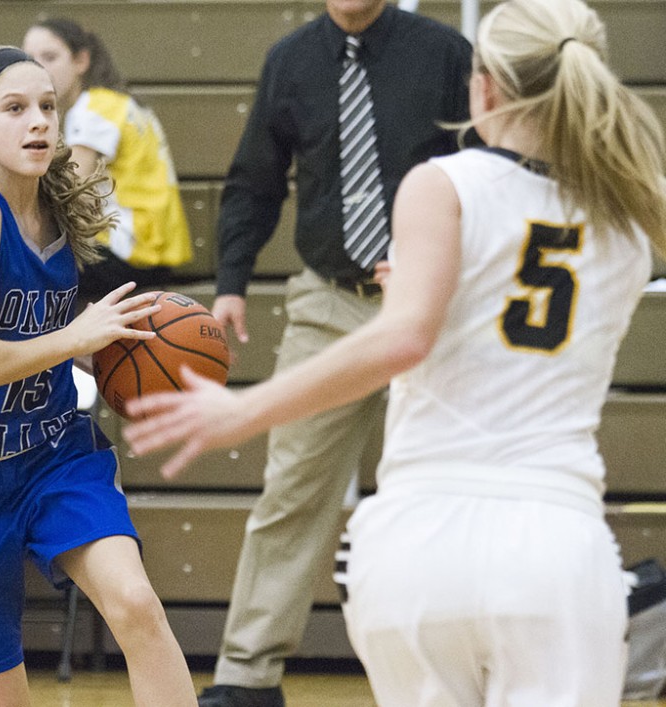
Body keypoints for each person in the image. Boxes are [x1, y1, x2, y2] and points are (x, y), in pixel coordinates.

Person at [124, 0, 666, 704]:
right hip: (555, 542)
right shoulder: (629, 224)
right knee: (295, 493)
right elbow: (496, 311)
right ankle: (247, 673)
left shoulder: (445, 185)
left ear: (485, 88)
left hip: (420, 543)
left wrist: (240, 410)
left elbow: (409, 330)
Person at [133, 0, 472, 704]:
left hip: (441, 299)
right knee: (291, 489)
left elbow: (489, 168)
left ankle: (468, 664)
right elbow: (254, 180)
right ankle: (247, 675)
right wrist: (230, 282)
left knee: (455, 486)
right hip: (329, 300)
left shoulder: (444, 54)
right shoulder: (290, 62)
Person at [0, 45, 197, 706]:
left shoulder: (57, 203)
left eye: (46, 107)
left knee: (136, 603)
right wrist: (74, 337)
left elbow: (57, 330)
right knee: (5, 695)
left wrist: (133, 355)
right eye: (15, 109)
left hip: (52, 451)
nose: (37, 122)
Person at [22, 18, 192, 303]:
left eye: (49, 57)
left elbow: (69, 193)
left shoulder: (93, 109)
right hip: (150, 252)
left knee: (14, 264)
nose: (38, 68)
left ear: (81, 61)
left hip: (127, 253)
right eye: (29, 60)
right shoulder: (116, 103)